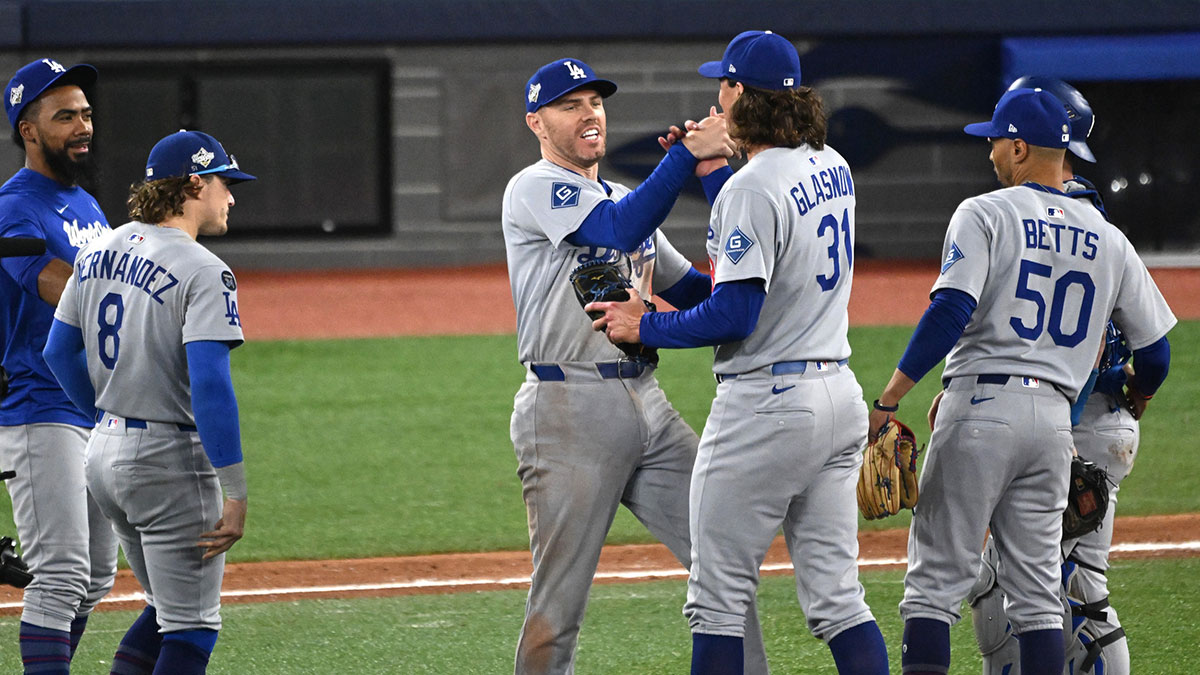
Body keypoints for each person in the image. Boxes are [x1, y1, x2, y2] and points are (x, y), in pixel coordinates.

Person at [588, 31, 890, 674]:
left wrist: (647, 327)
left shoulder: (752, 189)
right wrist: (715, 173)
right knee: (839, 601)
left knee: (717, 603)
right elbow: (763, 260)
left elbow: (736, 312)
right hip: (837, 396)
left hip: (769, 405)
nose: (713, 96)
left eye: (720, 84)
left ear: (738, 95)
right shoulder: (829, 164)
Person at [866, 87, 1174, 674]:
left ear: (1018, 146)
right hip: (1055, 426)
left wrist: (890, 398)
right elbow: (1155, 349)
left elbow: (950, 310)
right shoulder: (1108, 238)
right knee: (1038, 599)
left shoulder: (984, 212)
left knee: (933, 585)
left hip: (981, 409)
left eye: (994, 142)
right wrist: (1138, 397)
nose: (989, 154)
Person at [501, 57, 770, 675]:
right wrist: (682, 158)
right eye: (569, 105)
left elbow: (695, 292)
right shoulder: (535, 186)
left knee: (723, 562)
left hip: (649, 404)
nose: (588, 113)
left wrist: (711, 172)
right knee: (559, 603)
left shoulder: (624, 194)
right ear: (536, 123)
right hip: (568, 408)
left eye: (594, 102)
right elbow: (616, 229)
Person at [43, 129, 255, 674]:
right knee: (192, 628)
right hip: (169, 463)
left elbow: (58, 350)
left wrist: (105, 413)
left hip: (104, 455)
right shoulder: (205, 268)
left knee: (165, 608)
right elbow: (211, 385)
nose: (230, 196)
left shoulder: (97, 249)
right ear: (193, 184)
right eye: (223, 182)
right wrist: (235, 489)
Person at [966, 77, 1140, 675]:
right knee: (1060, 586)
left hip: (1065, 414)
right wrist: (1133, 399)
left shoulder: (1020, 215)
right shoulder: (1095, 218)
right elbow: (1156, 351)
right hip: (1084, 412)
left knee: (1052, 590)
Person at [0, 57, 117, 672]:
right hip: (36, 406)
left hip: (90, 408)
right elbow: (49, 280)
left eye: (87, 114)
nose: (83, 125)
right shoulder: (15, 205)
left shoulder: (86, 205)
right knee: (61, 573)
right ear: (28, 129)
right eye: (65, 115)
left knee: (95, 577)